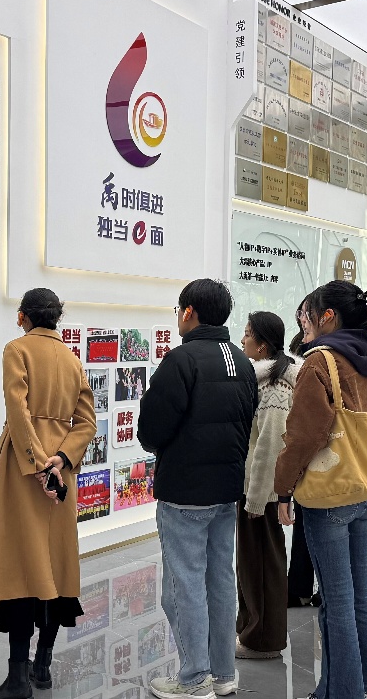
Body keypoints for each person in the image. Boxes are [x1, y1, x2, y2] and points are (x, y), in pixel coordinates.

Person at [274, 281, 367, 699]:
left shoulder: (321, 362)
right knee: (360, 595)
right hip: (364, 488)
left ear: (327, 316)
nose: (304, 321)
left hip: (329, 493)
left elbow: (304, 436)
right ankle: (356, 682)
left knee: (335, 601)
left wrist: (283, 490)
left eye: (307, 313)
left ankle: (342, 691)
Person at [138, 279, 256, 699]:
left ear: (188, 312)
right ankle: (223, 674)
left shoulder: (180, 360)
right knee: (220, 580)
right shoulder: (241, 360)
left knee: (183, 585)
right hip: (227, 489)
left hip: (185, 491)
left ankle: (193, 679)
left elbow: (151, 430)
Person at [0, 289, 97, 699]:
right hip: (61, 471)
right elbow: (87, 423)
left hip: (24, 469)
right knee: (55, 565)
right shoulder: (72, 359)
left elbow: (18, 411)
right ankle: (42, 667)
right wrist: (60, 460)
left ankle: (17, 680)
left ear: (22, 317)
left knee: (22, 568)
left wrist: (37, 463)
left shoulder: (17, 349)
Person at [235, 312, 301, 660]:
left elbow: (270, 449)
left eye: (248, 334)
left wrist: (257, 500)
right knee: (253, 563)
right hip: (256, 489)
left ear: (262, 345)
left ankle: (262, 639)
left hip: (262, 492)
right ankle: (251, 630)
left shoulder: (275, 388)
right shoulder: (262, 380)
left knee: (262, 565)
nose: (242, 340)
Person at [285, 321, 318, 609]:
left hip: (325, 459)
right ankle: (300, 587)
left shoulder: (322, 358)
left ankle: (303, 587)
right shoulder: (305, 346)